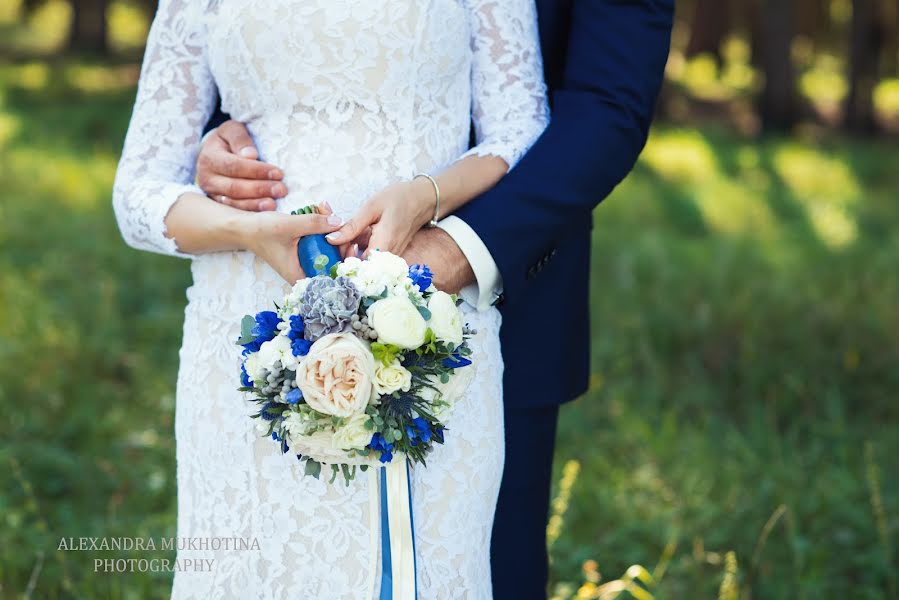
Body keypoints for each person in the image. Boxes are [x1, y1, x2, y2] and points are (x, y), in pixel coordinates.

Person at [195, 1, 674, 597]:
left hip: (504, 287)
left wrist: (456, 252)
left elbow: (608, 100)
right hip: (276, 289)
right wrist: (218, 136)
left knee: (488, 568)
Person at [113, 0, 555, 597]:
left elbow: (522, 130)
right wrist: (249, 232)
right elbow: (137, 190)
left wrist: (428, 196)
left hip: (422, 307)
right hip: (243, 323)